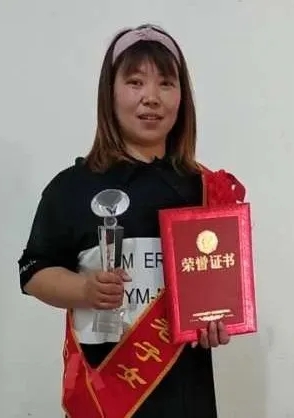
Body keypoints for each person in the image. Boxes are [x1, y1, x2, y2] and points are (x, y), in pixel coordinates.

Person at [18, 23, 244, 418]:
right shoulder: (72, 187)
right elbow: (33, 271)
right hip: (103, 396)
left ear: (183, 98)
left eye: (166, 84)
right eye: (135, 82)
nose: (151, 98)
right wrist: (84, 289)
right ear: (110, 93)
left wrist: (216, 319)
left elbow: (214, 288)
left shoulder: (204, 189)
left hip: (185, 398)